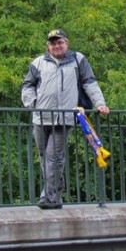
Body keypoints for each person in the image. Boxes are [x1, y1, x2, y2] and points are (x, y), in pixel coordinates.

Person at [21, 29, 110, 209]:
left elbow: (90, 82)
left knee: (53, 157)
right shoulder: (38, 63)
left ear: (66, 43)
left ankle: (49, 197)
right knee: (44, 157)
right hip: (40, 117)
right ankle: (57, 189)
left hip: (64, 118)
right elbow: (27, 86)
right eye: (53, 43)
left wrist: (100, 103)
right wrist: (32, 103)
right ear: (48, 46)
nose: (57, 46)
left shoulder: (78, 60)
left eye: (60, 42)